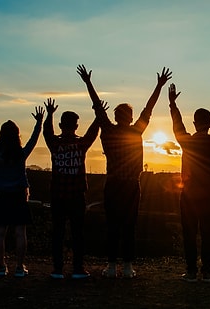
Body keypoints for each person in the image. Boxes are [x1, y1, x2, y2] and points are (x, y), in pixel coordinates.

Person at [77, 64, 172, 278]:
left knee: (112, 226)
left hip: (113, 184)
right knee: (129, 226)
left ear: (116, 116)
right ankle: (128, 267)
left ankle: (111, 266)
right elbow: (149, 108)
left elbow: (97, 107)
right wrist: (158, 85)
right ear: (129, 117)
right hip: (131, 185)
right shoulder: (136, 131)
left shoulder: (108, 130)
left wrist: (88, 82)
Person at [169, 82, 210, 282]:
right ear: (209, 123)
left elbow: (177, 126)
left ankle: (192, 271)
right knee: (207, 233)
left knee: (190, 234)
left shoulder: (187, 141)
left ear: (194, 123)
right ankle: (207, 271)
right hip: (209, 195)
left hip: (188, 194)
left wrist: (173, 105)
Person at [43, 98, 100, 279]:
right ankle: (77, 268)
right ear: (76, 126)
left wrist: (49, 114)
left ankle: (58, 269)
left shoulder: (54, 144)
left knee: (58, 233)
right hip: (77, 195)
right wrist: (98, 116)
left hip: (58, 195)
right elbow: (93, 133)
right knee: (77, 233)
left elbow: (46, 132)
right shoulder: (81, 144)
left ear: (61, 125)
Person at [0, 106, 44, 277]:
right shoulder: (21, 153)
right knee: (20, 232)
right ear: (17, 135)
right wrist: (39, 122)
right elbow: (34, 139)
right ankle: (19, 267)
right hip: (19, 195)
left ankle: (1, 266)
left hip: (2, 195)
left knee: (0, 232)